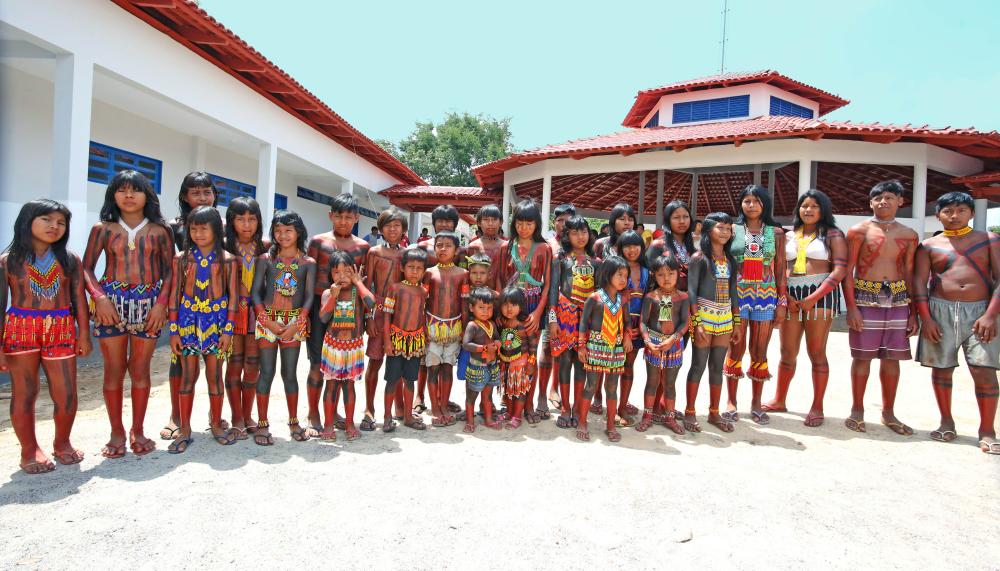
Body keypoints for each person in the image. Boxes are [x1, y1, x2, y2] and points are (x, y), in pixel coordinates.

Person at [82, 170, 173, 458]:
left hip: (149, 303)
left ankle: (138, 428)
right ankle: (116, 431)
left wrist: (161, 304)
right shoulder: (103, 229)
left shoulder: (161, 231)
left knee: (140, 369)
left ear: (148, 195)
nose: (129, 195)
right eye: (122, 190)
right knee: (113, 370)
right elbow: (85, 268)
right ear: (113, 195)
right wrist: (99, 298)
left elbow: (172, 270)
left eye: (136, 190)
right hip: (111, 303)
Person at [1, 200, 91, 474]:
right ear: (27, 221)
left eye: (61, 223)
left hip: (62, 330)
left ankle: (62, 443)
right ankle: (29, 451)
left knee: (66, 393)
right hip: (20, 331)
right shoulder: (8, 261)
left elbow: (79, 299)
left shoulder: (70, 260)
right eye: (47, 220)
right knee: (25, 393)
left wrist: (84, 334)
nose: (54, 226)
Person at [914, 192, 999, 454]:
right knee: (941, 369)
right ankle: (946, 422)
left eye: (961, 210)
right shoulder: (929, 246)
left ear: (971, 213)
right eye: (948, 211)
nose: (954, 216)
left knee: (984, 371)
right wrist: (926, 318)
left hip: (981, 311)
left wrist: (990, 315)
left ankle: (987, 430)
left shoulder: (989, 240)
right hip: (940, 310)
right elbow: (919, 283)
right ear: (937, 214)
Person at [763, 190, 847, 427]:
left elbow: (839, 269)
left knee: (817, 353)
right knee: (787, 352)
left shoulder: (833, 234)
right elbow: (776, 267)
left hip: (820, 294)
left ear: (823, 210)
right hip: (789, 293)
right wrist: (784, 294)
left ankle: (817, 405)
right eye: (804, 206)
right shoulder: (788, 236)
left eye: (814, 206)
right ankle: (780, 399)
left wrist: (814, 297)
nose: (808, 210)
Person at [843, 180, 919, 435]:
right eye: (878, 198)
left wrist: (913, 312)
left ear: (900, 201)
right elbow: (848, 271)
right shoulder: (858, 230)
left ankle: (889, 412)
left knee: (892, 358)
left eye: (889, 197)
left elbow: (910, 272)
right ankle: (857, 410)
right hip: (866, 295)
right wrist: (851, 308)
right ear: (870, 202)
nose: (883, 202)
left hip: (897, 297)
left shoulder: (909, 234)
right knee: (862, 356)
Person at [167, 206, 239, 453]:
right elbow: (174, 295)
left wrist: (228, 331)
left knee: (214, 375)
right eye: (193, 228)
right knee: (187, 376)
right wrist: (174, 330)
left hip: (217, 325)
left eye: (203, 228)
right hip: (187, 323)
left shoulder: (227, 260)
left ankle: (216, 424)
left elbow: (233, 299)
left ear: (216, 230)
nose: (198, 233)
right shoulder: (181, 258)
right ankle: (185, 428)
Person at [305, 193, 370, 436]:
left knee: (344, 370)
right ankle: (313, 414)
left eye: (348, 217)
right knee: (317, 366)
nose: (343, 221)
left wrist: (365, 320)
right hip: (321, 313)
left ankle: (339, 415)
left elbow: (364, 284)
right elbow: (309, 281)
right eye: (339, 216)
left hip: (349, 317)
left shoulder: (362, 247)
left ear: (356, 217)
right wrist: (306, 316)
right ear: (330, 215)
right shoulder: (318, 242)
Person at [250, 210, 316, 445]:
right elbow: (255, 293)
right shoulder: (265, 260)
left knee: (289, 374)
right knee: (266, 372)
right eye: (278, 230)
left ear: (298, 232)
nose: (282, 235)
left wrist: (297, 323)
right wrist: (265, 320)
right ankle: (262, 424)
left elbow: (309, 297)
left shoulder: (307, 263)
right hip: (267, 320)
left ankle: (293, 421)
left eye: (288, 230)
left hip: (293, 322)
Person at [723, 185, 788, 425]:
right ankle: (731, 402)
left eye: (756, 201)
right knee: (735, 348)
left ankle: (755, 403)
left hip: (766, 296)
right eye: (747, 200)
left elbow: (780, 269)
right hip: (738, 296)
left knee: (759, 351)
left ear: (765, 204)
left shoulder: (777, 233)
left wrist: (782, 301)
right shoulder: (733, 229)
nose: (751, 205)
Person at [162, 172, 218, 441]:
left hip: (214, 309)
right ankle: (176, 416)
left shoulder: (221, 225)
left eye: (207, 191)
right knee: (181, 364)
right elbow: (167, 266)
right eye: (195, 192)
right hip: (184, 309)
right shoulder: (173, 227)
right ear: (185, 196)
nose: (202, 197)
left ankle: (214, 415)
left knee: (215, 367)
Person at [684, 213, 741, 433]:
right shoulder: (699, 258)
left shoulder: (731, 261)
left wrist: (736, 322)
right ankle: (690, 412)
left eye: (728, 228)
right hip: (704, 317)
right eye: (721, 228)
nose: (725, 232)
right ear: (709, 230)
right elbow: (691, 291)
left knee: (717, 367)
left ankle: (714, 412)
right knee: (698, 365)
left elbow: (734, 292)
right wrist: (697, 322)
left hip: (725, 318)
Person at [500, 199, 552, 424]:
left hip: (532, 307)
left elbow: (548, 284)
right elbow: (502, 280)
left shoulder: (544, 248)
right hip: (510, 307)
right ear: (514, 223)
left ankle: (529, 403)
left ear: (537, 224)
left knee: (530, 355)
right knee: (509, 353)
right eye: (520, 222)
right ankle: (508, 399)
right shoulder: (506, 246)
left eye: (529, 223)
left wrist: (539, 313)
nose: (524, 227)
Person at [645, 199, 696, 422]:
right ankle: (654, 406)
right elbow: (650, 276)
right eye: (676, 217)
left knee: (675, 355)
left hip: (683, 304)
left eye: (685, 216)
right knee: (658, 356)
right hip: (662, 304)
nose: (682, 221)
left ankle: (666, 406)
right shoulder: (658, 244)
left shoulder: (691, 245)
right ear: (667, 220)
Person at [319, 250, 375, 440]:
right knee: (331, 386)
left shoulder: (358, 292)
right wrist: (333, 297)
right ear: (331, 274)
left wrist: (359, 283)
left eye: (347, 272)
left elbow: (371, 303)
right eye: (337, 272)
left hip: (353, 345)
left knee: (349, 386)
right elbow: (323, 317)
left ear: (354, 271)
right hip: (333, 345)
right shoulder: (328, 292)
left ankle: (350, 423)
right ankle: (328, 425)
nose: (341, 277)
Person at [575, 256, 633, 442]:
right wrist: (582, 346)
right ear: (608, 275)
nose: (623, 279)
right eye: (619, 275)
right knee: (591, 385)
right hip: (596, 345)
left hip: (615, 348)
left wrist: (626, 336)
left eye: (626, 275)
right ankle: (582, 422)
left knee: (612, 387)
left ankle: (610, 425)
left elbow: (627, 322)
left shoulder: (623, 300)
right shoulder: (594, 298)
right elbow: (583, 323)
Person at [223, 196, 267, 438]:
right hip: (231, 313)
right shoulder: (224, 246)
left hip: (257, 314)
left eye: (252, 219)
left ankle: (248, 414)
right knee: (234, 363)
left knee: (253, 365)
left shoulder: (266, 247)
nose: (247, 225)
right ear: (232, 221)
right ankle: (236, 417)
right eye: (241, 219)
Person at [360, 207, 407, 432]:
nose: (392, 229)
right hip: (378, 310)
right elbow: (367, 286)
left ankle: (398, 406)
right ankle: (369, 408)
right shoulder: (374, 253)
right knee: (375, 360)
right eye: (388, 225)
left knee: (397, 362)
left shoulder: (407, 254)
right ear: (380, 229)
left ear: (404, 229)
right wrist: (368, 316)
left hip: (400, 312)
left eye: (396, 225)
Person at [413, 204, 463, 415]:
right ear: (433, 224)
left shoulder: (460, 255)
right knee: (426, 360)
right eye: (440, 221)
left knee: (445, 364)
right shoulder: (423, 248)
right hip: (430, 316)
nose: (444, 224)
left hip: (451, 320)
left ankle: (443, 399)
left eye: (448, 221)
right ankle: (420, 396)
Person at [549, 216, 597, 429]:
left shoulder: (597, 263)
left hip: (587, 318)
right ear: (567, 235)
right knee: (565, 361)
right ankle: (565, 408)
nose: (580, 236)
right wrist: (552, 320)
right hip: (564, 316)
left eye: (584, 231)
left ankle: (578, 407)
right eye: (575, 232)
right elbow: (552, 291)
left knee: (581, 362)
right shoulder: (560, 260)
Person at [637, 253, 689, 433]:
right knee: (652, 381)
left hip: (673, 344)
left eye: (670, 273)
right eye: (661, 274)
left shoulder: (683, 297)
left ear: (678, 273)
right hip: (654, 344)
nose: (666, 279)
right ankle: (647, 415)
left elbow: (685, 322)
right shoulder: (652, 297)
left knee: (670, 383)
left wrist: (673, 339)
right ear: (654, 275)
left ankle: (669, 416)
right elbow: (643, 321)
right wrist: (647, 341)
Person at [381, 247, 430, 431]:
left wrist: (424, 336)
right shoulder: (394, 288)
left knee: (410, 379)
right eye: (411, 267)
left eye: (419, 268)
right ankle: (387, 416)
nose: (415, 271)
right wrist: (387, 341)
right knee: (392, 380)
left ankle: (409, 416)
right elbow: (387, 315)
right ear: (403, 268)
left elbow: (422, 314)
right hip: (396, 340)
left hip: (415, 341)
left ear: (424, 270)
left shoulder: (423, 292)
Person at [423, 231, 469, 427]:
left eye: (447, 245)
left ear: (456, 250)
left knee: (447, 368)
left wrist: (465, 328)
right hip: (432, 326)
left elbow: (465, 303)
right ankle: (434, 407)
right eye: (439, 245)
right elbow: (422, 301)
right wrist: (422, 327)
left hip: (454, 328)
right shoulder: (429, 273)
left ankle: (443, 405)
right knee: (432, 368)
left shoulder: (463, 274)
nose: (443, 249)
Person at [539, 203, 575, 417]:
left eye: (568, 221)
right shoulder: (548, 245)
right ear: (554, 223)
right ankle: (542, 395)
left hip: (570, 310)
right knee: (546, 348)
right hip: (549, 305)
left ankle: (555, 389)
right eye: (560, 220)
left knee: (563, 353)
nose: (563, 224)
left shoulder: (577, 247)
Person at [456, 253, 498, 422]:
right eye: (474, 273)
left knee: (488, 375)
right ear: (468, 273)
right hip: (468, 339)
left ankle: (486, 406)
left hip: (486, 340)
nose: (478, 277)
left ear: (489, 275)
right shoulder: (465, 291)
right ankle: (469, 408)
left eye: (482, 273)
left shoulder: (492, 294)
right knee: (469, 374)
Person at [612, 230, 648, 426]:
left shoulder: (646, 271)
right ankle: (610, 407)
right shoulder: (615, 269)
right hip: (615, 324)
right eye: (626, 245)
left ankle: (622, 406)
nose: (631, 249)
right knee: (612, 366)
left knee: (628, 366)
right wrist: (625, 330)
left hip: (637, 325)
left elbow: (649, 301)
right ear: (620, 249)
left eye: (636, 245)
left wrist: (641, 327)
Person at [461, 287, 502, 433]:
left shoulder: (491, 324)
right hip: (477, 367)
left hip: (491, 365)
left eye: (489, 308)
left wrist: (498, 343)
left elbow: (497, 337)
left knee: (488, 395)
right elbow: (466, 344)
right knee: (471, 395)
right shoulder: (472, 326)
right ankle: (470, 421)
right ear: (472, 308)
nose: (486, 311)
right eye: (481, 308)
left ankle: (489, 419)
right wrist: (484, 348)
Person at [497, 286, 532, 428]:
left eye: (513, 305)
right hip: (505, 362)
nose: (509, 309)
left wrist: (531, 362)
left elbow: (533, 344)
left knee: (519, 390)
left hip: (521, 363)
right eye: (505, 305)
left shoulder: (525, 324)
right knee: (507, 388)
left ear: (521, 306)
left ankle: (517, 416)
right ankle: (509, 413)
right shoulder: (502, 323)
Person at [465, 204, 507, 297]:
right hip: (477, 299)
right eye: (486, 219)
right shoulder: (473, 247)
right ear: (479, 223)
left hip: (503, 298)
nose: (490, 223)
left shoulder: (507, 246)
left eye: (494, 219)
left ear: (501, 222)